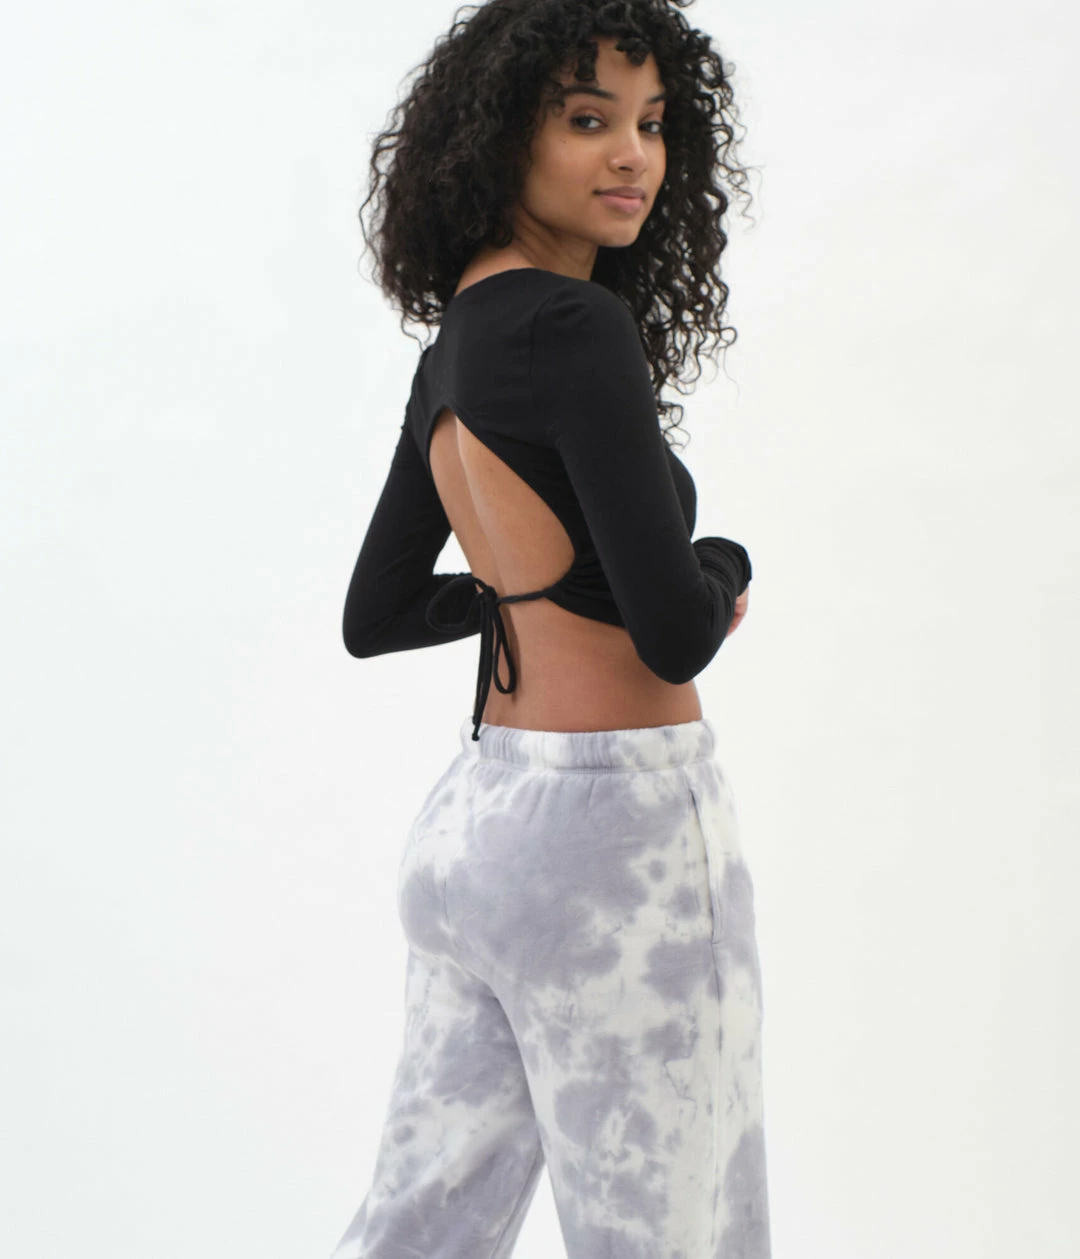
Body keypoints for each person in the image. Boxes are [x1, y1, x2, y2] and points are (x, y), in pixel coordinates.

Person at [332, 3, 770, 1256]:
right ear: (499, 141)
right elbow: (675, 632)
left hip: (477, 828)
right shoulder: (579, 329)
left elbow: (376, 612)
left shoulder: (456, 345)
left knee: (418, 1228)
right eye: (587, 119)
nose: (633, 154)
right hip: (617, 845)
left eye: (653, 124)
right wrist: (725, 563)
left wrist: (521, 588)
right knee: (674, 1230)